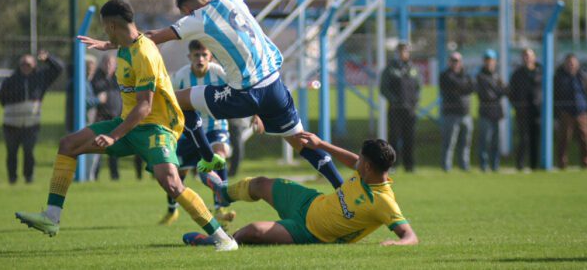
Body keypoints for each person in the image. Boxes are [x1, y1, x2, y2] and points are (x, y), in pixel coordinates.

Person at [123, 0, 344, 189]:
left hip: (244, 94)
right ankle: (342, 189)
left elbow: (153, 36)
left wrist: (112, 42)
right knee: (302, 142)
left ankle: (207, 159)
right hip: (274, 86)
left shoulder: (196, 19)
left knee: (174, 98)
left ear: (185, 9)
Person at [16, 0, 238, 251]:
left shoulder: (144, 53)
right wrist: (106, 44)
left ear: (111, 25)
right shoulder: (125, 45)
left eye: (105, 28)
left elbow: (145, 105)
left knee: (172, 184)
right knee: (68, 144)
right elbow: (131, 40)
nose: (104, 32)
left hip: (157, 128)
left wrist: (113, 136)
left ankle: (223, 239)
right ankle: (51, 217)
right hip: (129, 124)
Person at [185, 132, 418, 246]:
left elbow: (410, 236)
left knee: (252, 231)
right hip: (308, 202)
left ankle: (214, 240)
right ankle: (222, 192)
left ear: (368, 166)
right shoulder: (368, 170)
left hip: (309, 232)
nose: (357, 162)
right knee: (260, 184)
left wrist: (397, 243)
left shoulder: (383, 201)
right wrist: (321, 144)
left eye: (361, 161)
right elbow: (352, 160)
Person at [159, 40, 237, 227]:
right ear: (190, 57)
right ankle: (172, 210)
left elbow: (241, 89)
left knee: (219, 156)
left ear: (210, 56)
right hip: (190, 131)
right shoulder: (181, 76)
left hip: (216, 127)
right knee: (177, 172)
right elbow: (166, 97)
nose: (200, 59)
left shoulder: (219, 73)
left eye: (204, 55)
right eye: (196, 55)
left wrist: (256, 114)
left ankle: (220, 207)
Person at [0, 50, 63, 184]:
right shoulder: (10, 80)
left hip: (31, 124)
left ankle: (29, 178)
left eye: (28, 64)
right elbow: (1, 98)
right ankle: (12, 179)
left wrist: (48, 58)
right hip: (11, 124)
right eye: (23, 64)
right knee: (11, 154)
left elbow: (59, 68)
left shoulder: (41, 78)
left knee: (29, 152)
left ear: (34, 65)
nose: (25, 67)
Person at [90, 54, 141, 180]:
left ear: (114, 65)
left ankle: (115, 176)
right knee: (99, 148)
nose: (108, 66)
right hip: (101, 118)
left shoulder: (118, 79)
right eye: (106, 63)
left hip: (117, 118)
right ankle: (94, 176)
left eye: (111, 63)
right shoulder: (96, 79)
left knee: (114, 149)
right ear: (102, 64)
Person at [379, 42, 421, 172]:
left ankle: (409, 166)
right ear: (397, 53)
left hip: (410, 109)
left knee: (410, 138)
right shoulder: (390, 68)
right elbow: (383, 88)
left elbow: (418, 87)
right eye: (401, 51)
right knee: (394, 138)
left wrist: (415, 101)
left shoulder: (413, 68)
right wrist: (394, 100)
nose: (404, 53)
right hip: (395, 109)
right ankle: (393, 166)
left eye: (406, 51)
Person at [553, 54, 587, 169]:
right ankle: (562, 163)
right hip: (566, 113)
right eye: (569, 62)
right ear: (565, 64)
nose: (571, 65)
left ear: (577, 64)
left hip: (581, 112)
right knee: (564, 139)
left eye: (573, 62)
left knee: (585, 138)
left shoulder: (582, 77)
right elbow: (555, 95)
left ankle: (586, 163)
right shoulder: (559, 77)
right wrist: (558, 112)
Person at [439, 52, 475, 172]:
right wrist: (462, 87)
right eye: (453, 60)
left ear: (461, 62)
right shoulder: (445, 75)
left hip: (466, 114)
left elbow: (472, 87)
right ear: (449, 62)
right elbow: (451, 85)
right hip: (451, 114)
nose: (455, 63)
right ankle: (446, 166)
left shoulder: (466, 74)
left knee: (466, 143)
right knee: (449, 142)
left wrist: (460, 87)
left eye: (458, 60)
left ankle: (464, 166)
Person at [508, 48, 542, 171]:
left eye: (529, 55)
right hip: (523, 112)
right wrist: (517, 106)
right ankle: (520, 165)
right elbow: (511, 93)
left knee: (535, 138)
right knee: (524, 139)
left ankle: (534, 165)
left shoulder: (541, 72)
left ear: (534, 57)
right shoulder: (517, 74)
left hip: (537, 111)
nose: (527, 58)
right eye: (525, 56)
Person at [475, 49, 507, 172]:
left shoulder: (497, 75)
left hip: (496, 111)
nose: (489, 63)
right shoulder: (480, 76)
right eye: (487, 60)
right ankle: (484, 165)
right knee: (485, 140)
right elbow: (487, 94)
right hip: (485, 111)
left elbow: (505, 91)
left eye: (491, 60)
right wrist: (498, 89)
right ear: (484, 61)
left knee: (496, 141)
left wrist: (499, 89)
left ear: (495, 61)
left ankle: (495, 165)